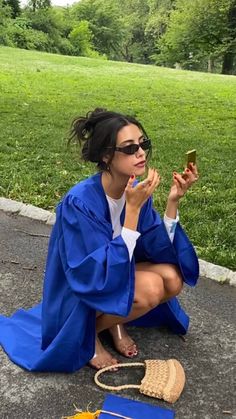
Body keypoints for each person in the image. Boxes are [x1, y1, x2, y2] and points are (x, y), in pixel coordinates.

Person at [0, 108, 199, 372]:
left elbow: (154, 246)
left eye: (143, 144)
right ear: (107, 156)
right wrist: (132, 212)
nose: (141, 152)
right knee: (151, 287)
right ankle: (86, 334)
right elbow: (90, 273)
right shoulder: (79, 203)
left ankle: (113, 321)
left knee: (173, 279)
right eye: (129, 148)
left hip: (112, 276)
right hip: (79, 289)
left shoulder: (136, 190)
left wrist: (173, 201)